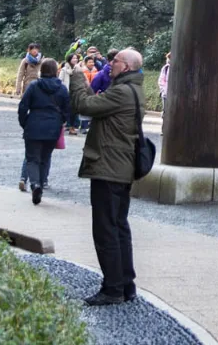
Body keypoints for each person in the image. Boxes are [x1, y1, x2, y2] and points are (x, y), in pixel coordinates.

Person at [71, 46, 145, 306]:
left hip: (109, 168)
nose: (110, 63)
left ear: (126, 67)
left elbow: (84, 105)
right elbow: (97, 106)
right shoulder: (131, 90)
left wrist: (78, 77)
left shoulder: (122, 92)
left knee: (106, 230)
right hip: (120, 168)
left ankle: (113, 288)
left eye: (116, 60)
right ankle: (126, 284)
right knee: (119, 227)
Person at [17, 57, 71, 205]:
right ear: (56, 71)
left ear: (42, 70)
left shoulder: (34, 86)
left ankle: (35, 184)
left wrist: (25, 123)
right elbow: (67, 109)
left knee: (32, 158)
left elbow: (23, 106)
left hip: (34, 124)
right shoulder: (61, 88)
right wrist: (61, 122)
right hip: (53, 127)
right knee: (45, 157)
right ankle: (41, 182)